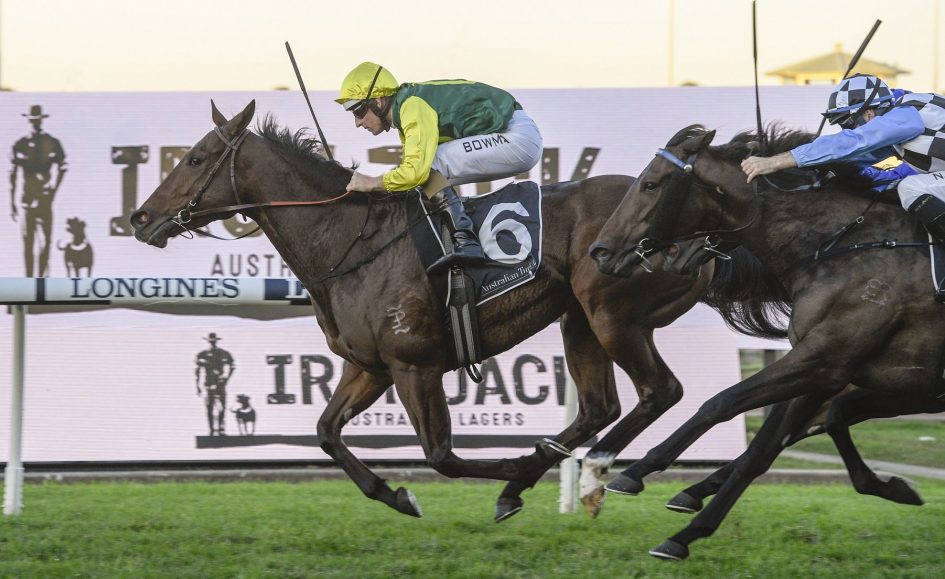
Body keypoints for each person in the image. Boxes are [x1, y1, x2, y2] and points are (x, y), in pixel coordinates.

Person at [335, 62, 543, 273]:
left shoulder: (411, 107)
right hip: (515, 135)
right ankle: (456, 238)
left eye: (358, 111)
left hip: (517, 137)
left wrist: (372, 183)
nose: (357, 123)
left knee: (428, 166)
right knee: (423, 180)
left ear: (378, 101)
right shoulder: (406, 108)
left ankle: (465, 240)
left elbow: (415, 172)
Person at [742, 74, 945, 241]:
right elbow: (852, 159)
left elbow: (853, 142)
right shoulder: (899, 129)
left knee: (910, 188)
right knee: (894, 190)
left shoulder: (906, 113)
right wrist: (775, 155)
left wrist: (775, 162)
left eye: (847, 123)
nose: (846, 129)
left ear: (869, 113)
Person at [9, 105, 67, 277]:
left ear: (42, 121)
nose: (35, 123)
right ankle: (28, 279)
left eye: (38, 120)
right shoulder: (20, 144)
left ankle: (41, 278)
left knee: (45, 241)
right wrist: (12, 202)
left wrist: (53, 189)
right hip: (26, 200)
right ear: (28, 121)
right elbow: (12, 174)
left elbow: (63, 166)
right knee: (28, 242)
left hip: (44, 200)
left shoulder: (52, 143)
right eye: (33, 120)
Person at [195, 332, 235, 436]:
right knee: (209, 407)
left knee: (222, 407)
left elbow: (232, 366)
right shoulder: (202, 354)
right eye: (210, 341)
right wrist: (198, 386)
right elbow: (197, 371)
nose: (212, 343)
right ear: (208, 341)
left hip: (220, 384)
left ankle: (221, 428)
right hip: (208, 384)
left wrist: (226, 378)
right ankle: (211, 429)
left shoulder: (223, 353)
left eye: (214, 341)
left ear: (216, 341)